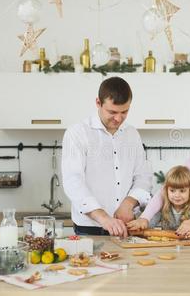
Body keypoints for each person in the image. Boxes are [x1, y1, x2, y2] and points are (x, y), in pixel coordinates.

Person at [61, 76, 152, 237]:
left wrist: (129, 203)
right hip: (90, 228)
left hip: (126, 226)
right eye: (112, 112)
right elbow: (73, 181)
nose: (118, 118)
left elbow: (143, 176)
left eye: (124, 112)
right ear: (98, 103)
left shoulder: (132, 134)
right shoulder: (77, 133)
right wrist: (103, 218)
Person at [127, 165, 190, 235]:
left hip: (189, 247)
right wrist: (140, 224)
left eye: (182, 191)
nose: (177, 195)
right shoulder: (163, 206)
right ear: (166, 190)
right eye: (172, 191)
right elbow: (150, 222)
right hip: (167, 247)